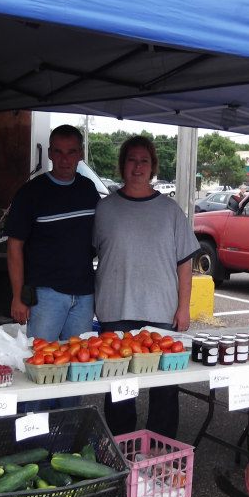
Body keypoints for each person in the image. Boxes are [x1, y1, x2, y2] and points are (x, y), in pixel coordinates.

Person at [94, 135, 199, 438]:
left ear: (152, 167)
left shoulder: (170, 211)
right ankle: (121, 448)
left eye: (144, 161)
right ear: (122, 165)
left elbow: (185, 264)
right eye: (131, 160)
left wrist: (183, 307)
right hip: (116, 312)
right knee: (119, 390)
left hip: (161, 314)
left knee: (164, 391)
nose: (137, 166)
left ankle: (161, 452)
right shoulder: (104, 209)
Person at [5, 124, 100, 411]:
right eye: (58, 152)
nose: (64, 159)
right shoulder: (31, 193)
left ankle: (66, 440)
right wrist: (18, 295)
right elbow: (14, 247)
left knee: (75, 370)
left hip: (83, 296)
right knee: (40, 372)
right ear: (49, 153)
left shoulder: (88, 189)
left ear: (80, 154)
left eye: (71, 152)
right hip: (46, 296)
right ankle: (32, 445)